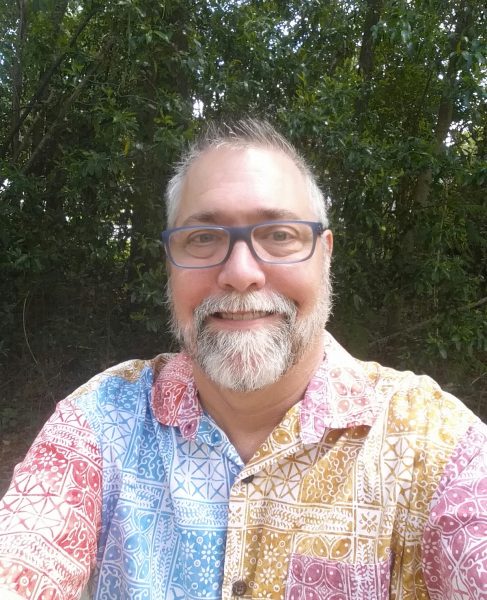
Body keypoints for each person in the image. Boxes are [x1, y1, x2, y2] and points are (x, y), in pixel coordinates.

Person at [0, 119, 485, 600]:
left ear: (325, 255)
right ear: (170, 264)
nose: (240, 273)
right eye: (203, 238)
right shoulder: (101, 420)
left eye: (279, 235)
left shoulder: (433, 444)